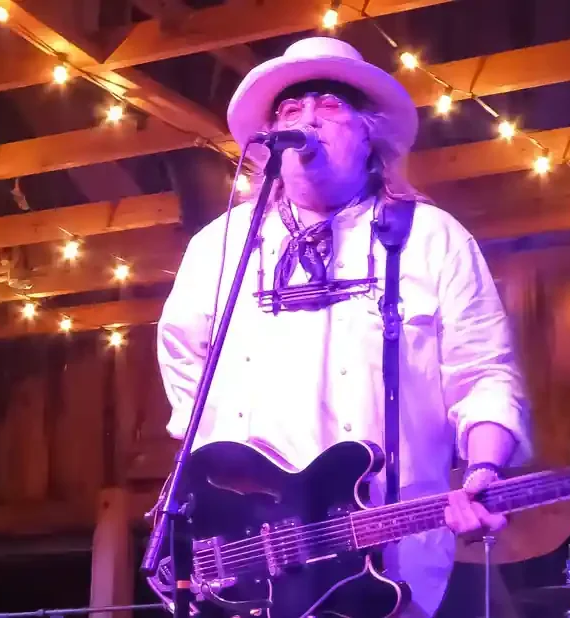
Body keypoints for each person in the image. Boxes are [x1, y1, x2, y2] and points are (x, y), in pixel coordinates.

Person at [155, 36, 531, 617]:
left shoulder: (433, 237)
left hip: (390, 553)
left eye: (328, 105)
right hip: (254, 560)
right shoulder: (219, 247)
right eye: (289, 109)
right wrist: (225, 493)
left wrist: (483, 467)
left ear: (368, 132)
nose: (306, 119)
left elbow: (484, 372)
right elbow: (185, 365)